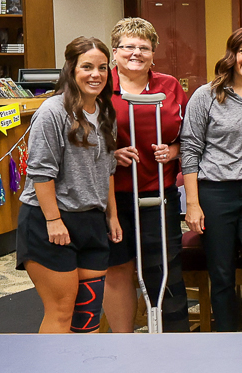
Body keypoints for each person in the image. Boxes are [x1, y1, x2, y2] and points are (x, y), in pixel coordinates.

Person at [17, 36, 121, 333]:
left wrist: (111, 215)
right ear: (71, 69)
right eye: (87, 66)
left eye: (102, 67)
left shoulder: (105, 112)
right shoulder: (52, 112)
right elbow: (40, 173)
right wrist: (53, 220)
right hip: (49, 222)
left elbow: (107, 170)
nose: (96, 74)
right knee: (61, 311)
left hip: (91, 221)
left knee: (87, 315)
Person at [180, 26, 242, 332]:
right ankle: (230, 344)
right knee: (221, 275)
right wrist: (193, 204)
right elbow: (189, 151)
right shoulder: (206, 96)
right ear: (232, 54)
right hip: (215, 194)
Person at [103, 18, 190, 333]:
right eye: (128, 47)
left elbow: (186, 138)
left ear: (153, 53)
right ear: (115, 52)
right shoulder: (100, 85)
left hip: (158, 192)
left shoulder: (169, 86)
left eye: (144, 47)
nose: (136, 53)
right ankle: (124, 341)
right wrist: (112, 155)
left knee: (164, 268)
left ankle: (174, 342)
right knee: (118, 268)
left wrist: (173, 151)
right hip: (114, 195)